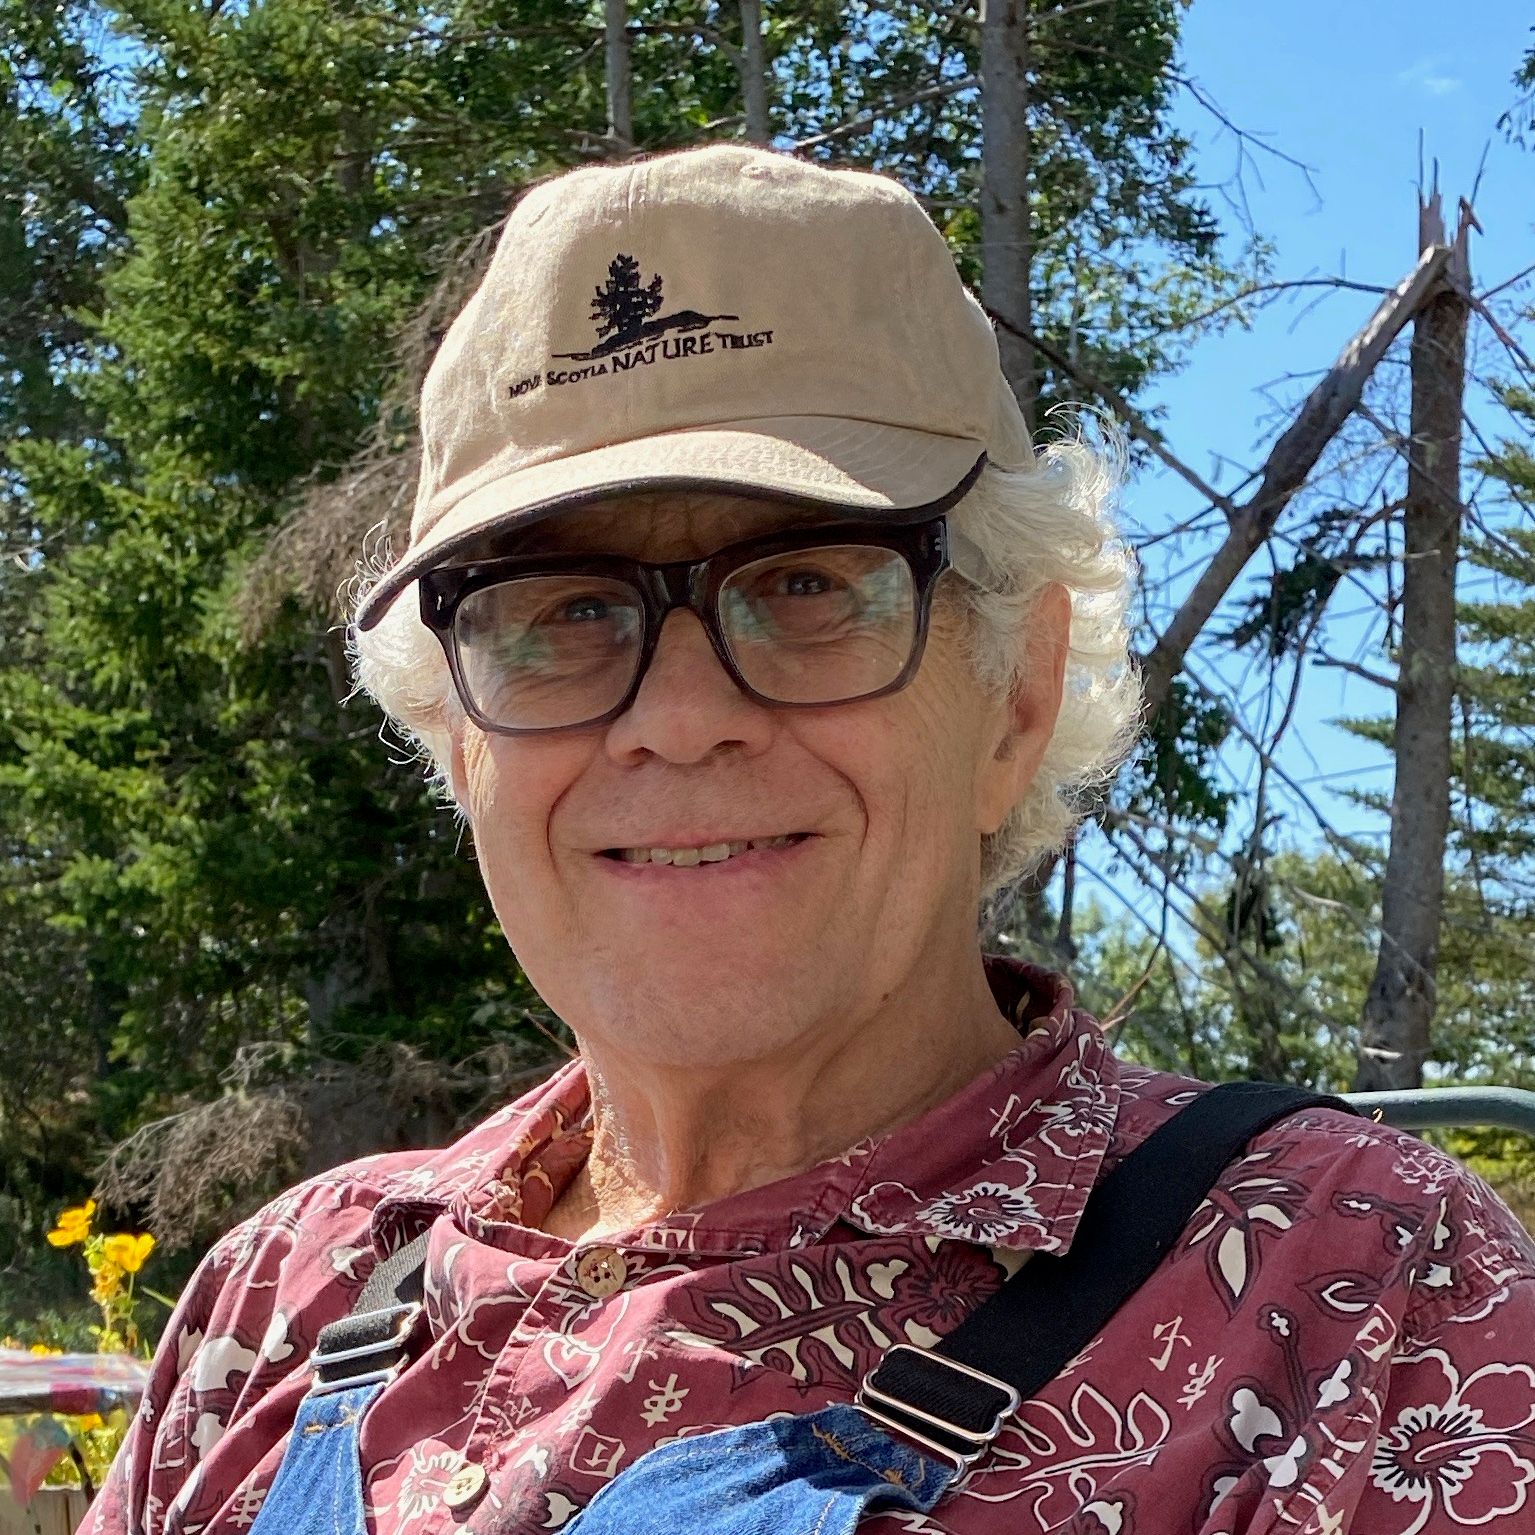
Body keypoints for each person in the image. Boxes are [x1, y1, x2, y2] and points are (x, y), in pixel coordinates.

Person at [87, 145, 1535, 1535]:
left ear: (1016, 697)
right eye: (563, 613)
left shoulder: (1356, 1296)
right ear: (461, 740)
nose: (677, 716)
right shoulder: (297, 1291)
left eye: (805, 583)